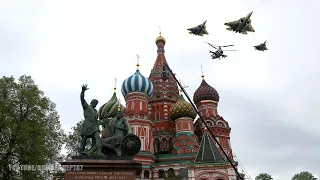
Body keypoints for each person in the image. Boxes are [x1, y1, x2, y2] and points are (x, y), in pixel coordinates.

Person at [79, 84, 103, 156]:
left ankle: (99, 152)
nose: (96, 105)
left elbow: (97, 120)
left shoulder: (95, 111)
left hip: (94, 125)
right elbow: (82, 99)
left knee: (97, 137)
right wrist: (83, 91)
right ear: (92, 102)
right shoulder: (86, 106)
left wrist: (102, 122)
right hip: (87, 124)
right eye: (95, 103)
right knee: (85, 137)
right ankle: (81, 150)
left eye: (96, 104)